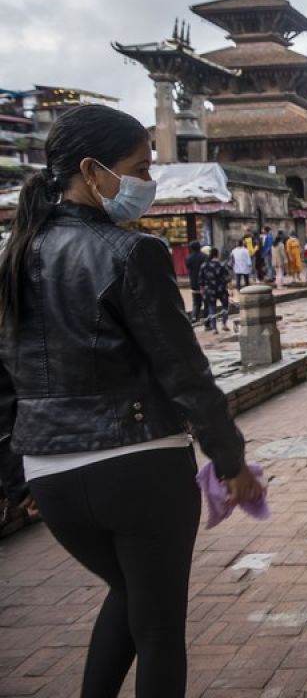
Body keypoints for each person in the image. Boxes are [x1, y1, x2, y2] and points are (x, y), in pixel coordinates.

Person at [0, 104, 262, 696]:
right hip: (139, 466)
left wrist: (17, 481)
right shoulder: (130, 252)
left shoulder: (13, 258)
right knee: (160, 629)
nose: (147, 183)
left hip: (51, 478)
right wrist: (231, 461)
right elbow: (186, 372)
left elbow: (3, 387)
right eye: (140, 167)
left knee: (129, 598)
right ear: (93, 172)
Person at [199, 246, 232, 332]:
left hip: (210, 290)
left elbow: (201, 280)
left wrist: (202, 290)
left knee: (211, 307)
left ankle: (214, 328)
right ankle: (224, 324)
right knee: (225, 306)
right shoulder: (221, 265)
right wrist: (231, 290)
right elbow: (227, 278)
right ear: (217, 255)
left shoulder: (204, 265)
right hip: (222, 289)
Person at [185, 240, 207, 322]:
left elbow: (188, 267)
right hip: (204, 283)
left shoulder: (188, 258)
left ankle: (194, 316)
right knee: (206, 302)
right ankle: (206, 319)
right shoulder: (204, 257)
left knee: (196, 302)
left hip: (194, 282)